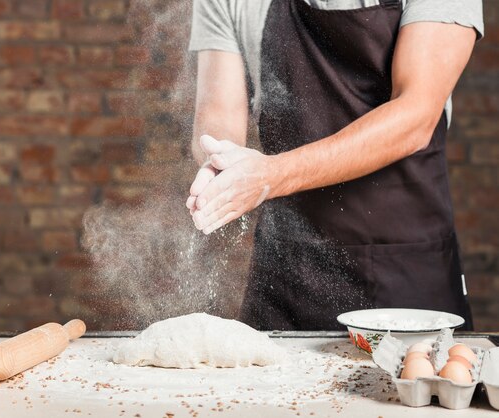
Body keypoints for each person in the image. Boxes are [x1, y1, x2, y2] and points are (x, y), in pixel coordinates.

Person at [186, 0, 484, 330]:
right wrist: (219, 161)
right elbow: (219, 115)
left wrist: (272, 175)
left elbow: (416, 116)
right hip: (287, 278)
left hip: (404, 273)